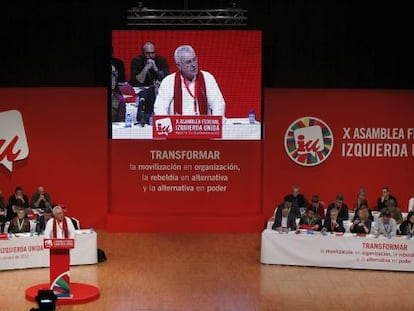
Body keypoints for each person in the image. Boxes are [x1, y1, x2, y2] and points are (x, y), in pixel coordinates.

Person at [154, 45, 226, 116]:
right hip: (177, 126)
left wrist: (215, 124)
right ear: (179, 66)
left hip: (204, 126)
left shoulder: (207, 78)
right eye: (188, 62)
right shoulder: (169, 81)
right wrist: (167, 126)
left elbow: (218, 104)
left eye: (194, 59)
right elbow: (160, 108)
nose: (194, 65)